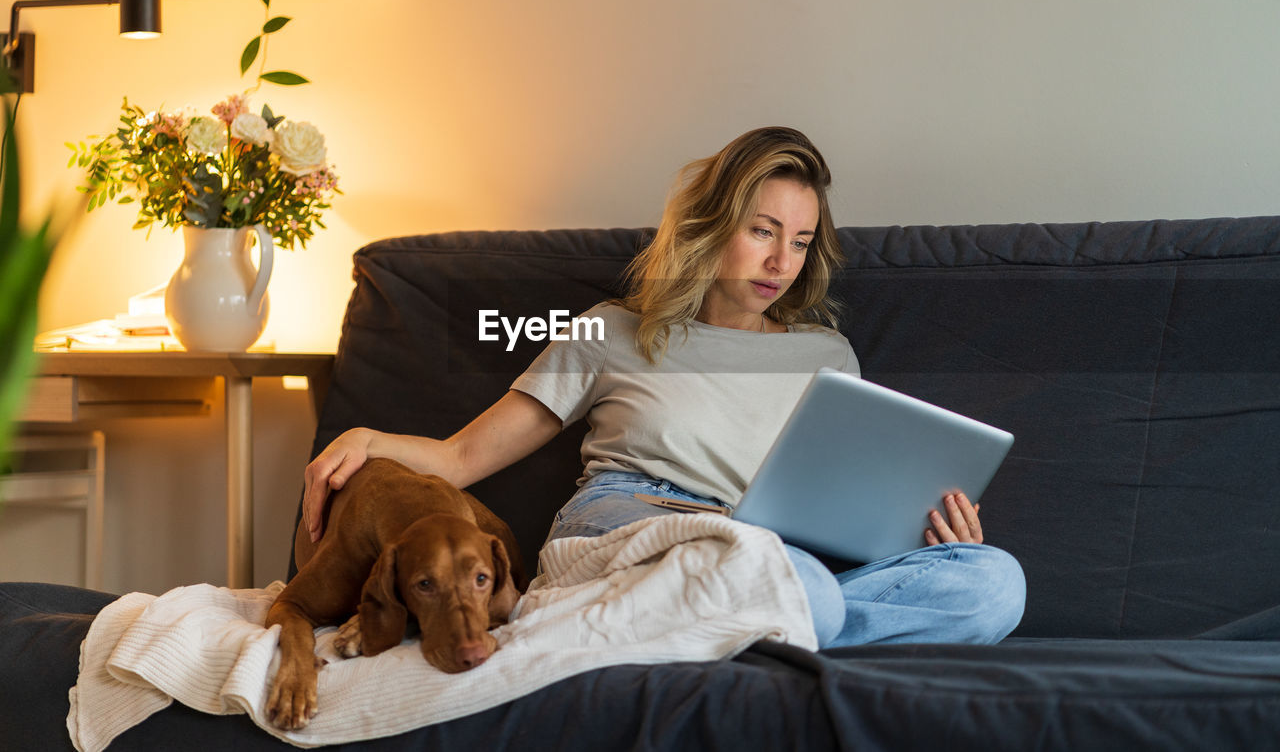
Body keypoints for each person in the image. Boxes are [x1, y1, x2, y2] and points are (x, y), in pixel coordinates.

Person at [302, 126, 1026, 648]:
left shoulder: (827, 353)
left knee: (994, 583)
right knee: (795, 584)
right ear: (711, 228)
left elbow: (845, 505)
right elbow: (463, 459)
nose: (782, 261)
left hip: (767, 548)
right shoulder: (610, 329)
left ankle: (748, 625)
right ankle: (762, 616)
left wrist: (927, 536)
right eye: (763, 230)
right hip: (625, 520)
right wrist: (367, 437)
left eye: (801, 242)